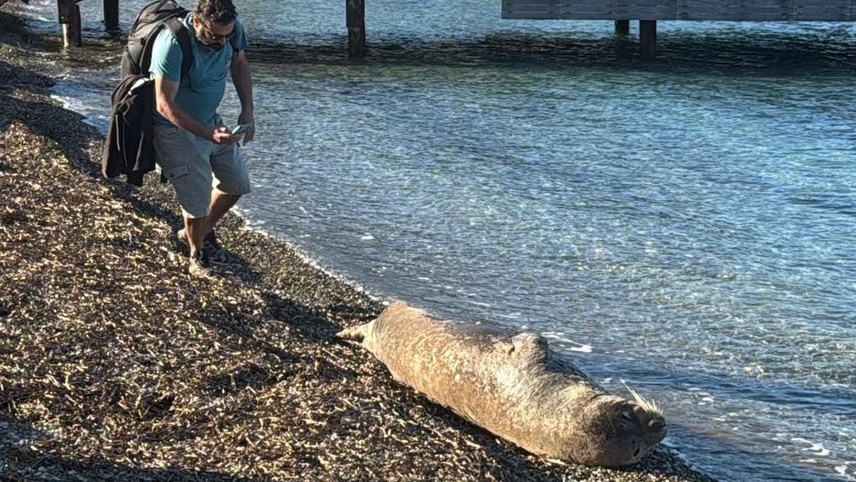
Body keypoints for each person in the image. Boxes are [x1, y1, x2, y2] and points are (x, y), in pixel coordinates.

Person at [149, 0, 254, 277]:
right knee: (195, 195)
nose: (222, 42)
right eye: (214, 36)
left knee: (236, 182)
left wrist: (248, 111)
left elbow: (240, 64)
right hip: (174, 129)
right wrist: (207, 134)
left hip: (211, 121)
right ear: (197, 22)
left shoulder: (232, 31)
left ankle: (194, 233)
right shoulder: (172, 42)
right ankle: (197, 256)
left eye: (227, 36)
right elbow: (164, 104)